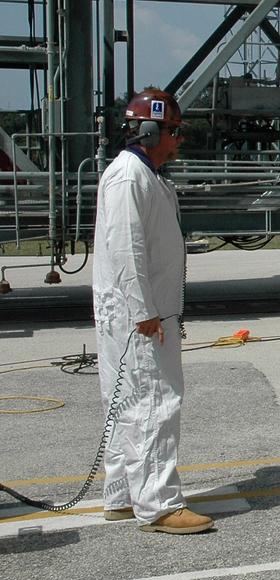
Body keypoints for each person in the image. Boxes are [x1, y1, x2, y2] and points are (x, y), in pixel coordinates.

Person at [92, 88, 213, 534]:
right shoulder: (130, 178)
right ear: (148, 131)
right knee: (154, 403)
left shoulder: (148, 176)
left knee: (126, 403)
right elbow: (126, 249)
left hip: (141, 312)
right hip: (141, 316)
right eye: (173, 131)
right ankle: (159, 504)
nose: (179, 139)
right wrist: (145, 311)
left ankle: (122, 494)